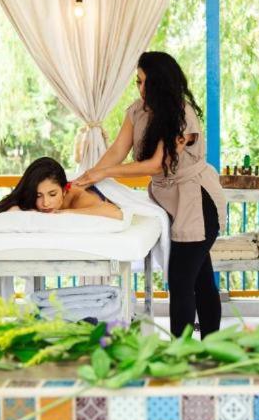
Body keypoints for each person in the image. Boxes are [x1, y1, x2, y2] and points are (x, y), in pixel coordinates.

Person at [73, 51, 226, 338]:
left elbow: (157, 164)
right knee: (201, 278)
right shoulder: (137, 111)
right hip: (170, 203)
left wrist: (104, 173)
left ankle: (181, 350)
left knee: (181, 280)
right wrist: (90, 175)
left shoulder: (183, 116)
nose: (140, 88)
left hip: (197, 203)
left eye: (145, 82)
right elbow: (117, 151)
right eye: (138, 82)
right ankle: (212, 346)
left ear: (160, 83)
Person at [0, 157, 122, 232]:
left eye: (52, 194)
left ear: (64, 190)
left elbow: (116, 213)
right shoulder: (33, 199)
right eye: (38, 195)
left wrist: (65, 212)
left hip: (101, 192)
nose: (45, 203)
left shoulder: (79, 198)